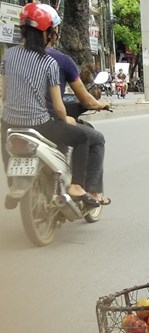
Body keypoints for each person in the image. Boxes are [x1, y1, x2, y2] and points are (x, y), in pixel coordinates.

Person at [0, 2, 91, 204]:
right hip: (40, 125)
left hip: (9, 123)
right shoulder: (49, 63)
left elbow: (4, 94)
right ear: (48, 33)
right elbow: (58, 107)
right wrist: (66, 118)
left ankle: (13, 183)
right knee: (82, 138)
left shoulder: (8, 55)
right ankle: (76, 186)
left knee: (6, 142)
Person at [43, 5, 111, 206]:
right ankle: (89, 190)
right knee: (93, 138)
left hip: (14, 122)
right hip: (47, 121)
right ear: (53, 33)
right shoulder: (58, 61)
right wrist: (99, 105)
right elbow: (81, 101)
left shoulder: (13, 58)